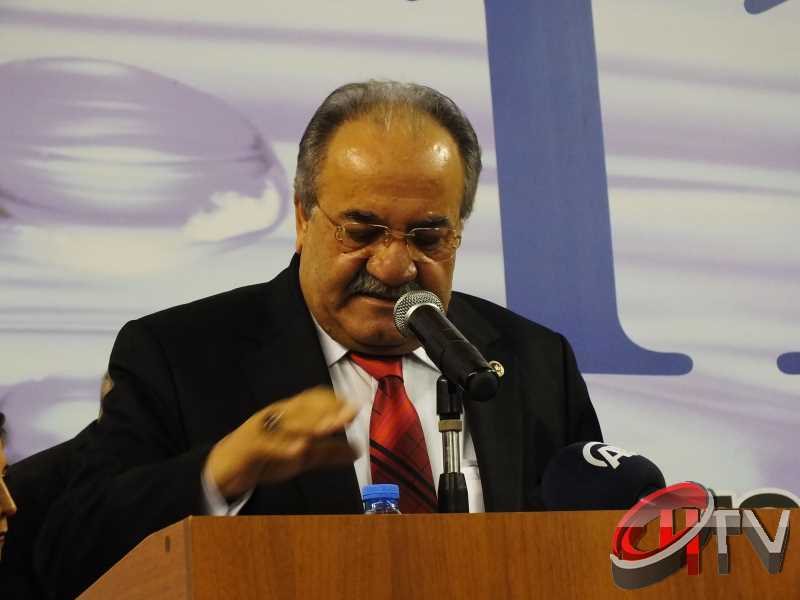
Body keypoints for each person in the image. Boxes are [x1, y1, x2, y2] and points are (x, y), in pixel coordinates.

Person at [36, 81, 602, 599]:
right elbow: (69, 551)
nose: (394, 265)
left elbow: (596, 549)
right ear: (303, 218)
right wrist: (218, 473)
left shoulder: (532, 362)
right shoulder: (181, 355)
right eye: (361, 231)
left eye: (428, 237)